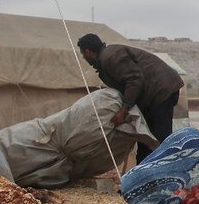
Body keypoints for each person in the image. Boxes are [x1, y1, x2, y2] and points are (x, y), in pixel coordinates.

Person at [76, 33, 185, 162]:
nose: (84, 57)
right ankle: (144, 174)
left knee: (159, 140)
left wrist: (123, 111)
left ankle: (164, 174)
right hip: (152, 95)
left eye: (83, 54)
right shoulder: (106, 59)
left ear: (88, 51)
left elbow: (135, 80)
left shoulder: (110, 57)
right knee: (146, 140)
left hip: (160, 90)